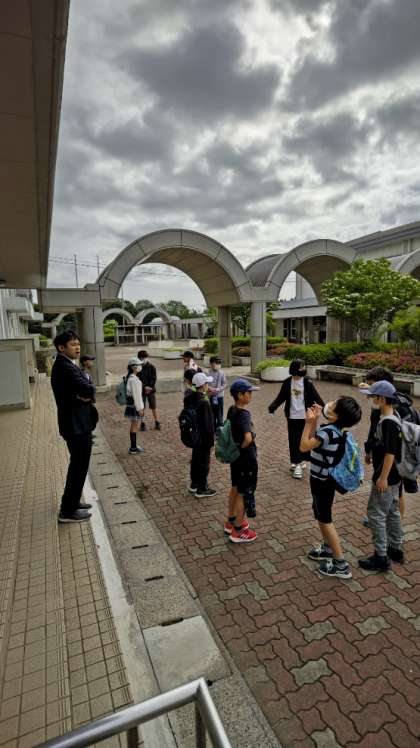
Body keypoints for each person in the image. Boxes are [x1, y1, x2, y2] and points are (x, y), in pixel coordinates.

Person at [301, 396, 362, 578]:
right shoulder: (336, 430)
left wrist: (308, 423)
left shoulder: (328, 432)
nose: (329, 404)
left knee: (325, 519)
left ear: (336, 416)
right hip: (325, 480)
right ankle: (328, 549)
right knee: (321, 514)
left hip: (322, 481)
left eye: (334, 405)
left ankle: (341, 564)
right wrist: (315, 420)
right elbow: (315, 440)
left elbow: (304, 446)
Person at [360, 366, 417, 526]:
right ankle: (386, 517)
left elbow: (395, 442)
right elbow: (374, 431)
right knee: (390, 488)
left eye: (372, 385)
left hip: (395, 459)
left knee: (396, 490)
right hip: (387, 456)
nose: (369, 390)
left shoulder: (394, 407)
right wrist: (369, 450)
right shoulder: (387, 403)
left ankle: (397, 522)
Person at [51, 330, 97, 523]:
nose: (77, 347)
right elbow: (88, 388)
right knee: (78, 466)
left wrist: (83, 393)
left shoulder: (68, 364)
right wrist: (85, 392)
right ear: (61, 347)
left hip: (76, 423)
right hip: (76, 425)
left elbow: (84, 390)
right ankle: (67, 511)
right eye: (73, 344)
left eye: (78, 343)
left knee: (79, 466)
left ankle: (73, 501)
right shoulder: (65, 367)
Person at [358, 380, 404, 571]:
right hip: (396, 475)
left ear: (382, 399)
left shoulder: (388, 423)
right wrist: (370, 452)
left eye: (373, 397)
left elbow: (390, 453)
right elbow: (383, 445)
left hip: (387, 476)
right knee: (392, 511)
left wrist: (383, 477)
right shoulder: (392, 416)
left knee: (376, 514)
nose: (370, 400)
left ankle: (381, 557)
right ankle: (395, 548)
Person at [268, 359, 324, 479]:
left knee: (305, 439)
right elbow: (281, 397)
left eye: (304, 366)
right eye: (301, 367)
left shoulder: (307, 382)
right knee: (293, 440)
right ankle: (296, 462)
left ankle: (301, 461)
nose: (303, 369)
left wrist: (326, 409)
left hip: (306, 417)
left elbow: (316, 396)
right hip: (292, 416)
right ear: (294, 368)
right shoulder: (288, 382)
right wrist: (273, 406)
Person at [225, 379, 259, 544]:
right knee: (243, 493)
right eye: (249, 392)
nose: (251, 395)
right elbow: (247, 438)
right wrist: (245, 444)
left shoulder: (232, 410)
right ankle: (238, 530)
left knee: (235, 487)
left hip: (235, 458)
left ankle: (231, 520)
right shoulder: (244, 414)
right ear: (240, 395)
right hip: (246, 459)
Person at [187, 372, 217, 498]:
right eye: (207, 383)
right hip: (203, 437)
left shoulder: (190, 397)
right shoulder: (204, 402)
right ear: (203, 385)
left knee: (195, 460)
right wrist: (211, 442)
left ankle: (194, 484)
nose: (207, 385)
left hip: (194, 434)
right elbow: (208, 425)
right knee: (204, 462)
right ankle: (202, 488)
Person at [124, 357, 145, 454]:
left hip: (132, 405)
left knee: (134, 425)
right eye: (139, 365)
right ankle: (133, 448)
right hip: (134, 405)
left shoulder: (132, 378)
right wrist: (140, 408)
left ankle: (134, 446)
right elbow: (136, 396)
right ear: (133, 367)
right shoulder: (133, 380)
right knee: (134, 425)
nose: (140, 366)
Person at [137, 350, 161, 431]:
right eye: (141, 358)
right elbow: (138, 380)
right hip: (141, 390)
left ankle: (157, 422)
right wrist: (144, 387)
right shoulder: (138, 368)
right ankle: (142, 423)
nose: (143, 359)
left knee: (153, 406)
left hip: (151, 390)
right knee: (142, 407)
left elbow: (154, 378)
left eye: (144, 358)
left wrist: (150, 387)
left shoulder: (152, 367)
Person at [207, 356, 226, 431]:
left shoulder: (222, 373)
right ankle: (213, 427)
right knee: (212, 412)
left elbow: (224, 384)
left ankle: (220, 428)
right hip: (210, 395)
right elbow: (205, 384)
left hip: (219, 396)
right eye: (216, 363)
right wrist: (210, 389)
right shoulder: (208, 373)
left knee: (219, 412)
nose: (218, 365)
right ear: (211, 364)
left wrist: (218, 389)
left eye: (219, 363)